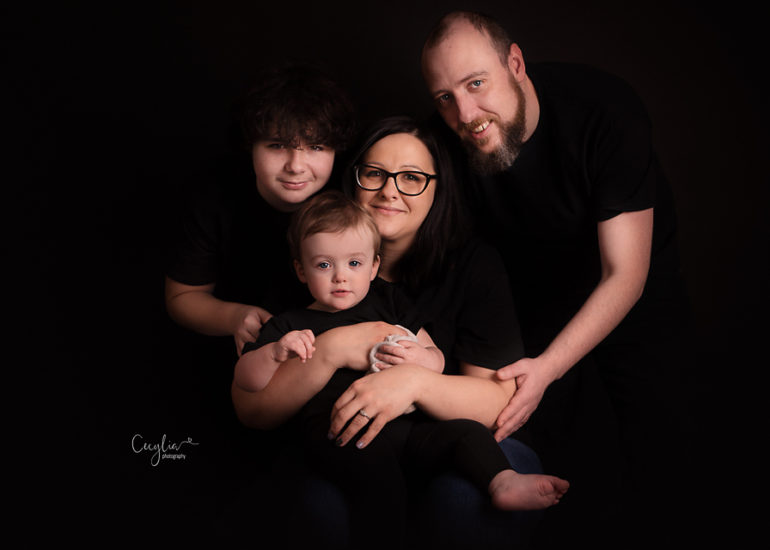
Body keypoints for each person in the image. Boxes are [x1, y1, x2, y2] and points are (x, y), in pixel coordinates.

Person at [421, 11, 694, 548]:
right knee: (565, 475)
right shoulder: (443, 137)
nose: (466, 113)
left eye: (477, 83)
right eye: (446, 97)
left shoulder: (604, 111)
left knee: (661, 460)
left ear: (516, 64)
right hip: (534, 305)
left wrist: (548, 368)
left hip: (632, 296)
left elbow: (626, 275)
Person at [231, 116, 552, 549]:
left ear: (438, 187)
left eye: (412, 178)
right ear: (354, 177)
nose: (390, 191)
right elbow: (252, 409)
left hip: (438, 430)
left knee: (462, 497)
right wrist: (331, 349)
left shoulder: (469, 267)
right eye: (375, 174)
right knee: (322, 503)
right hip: (346, 438)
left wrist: (414, 381)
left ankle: (502, 481)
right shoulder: (313, 253)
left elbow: (494, 400)